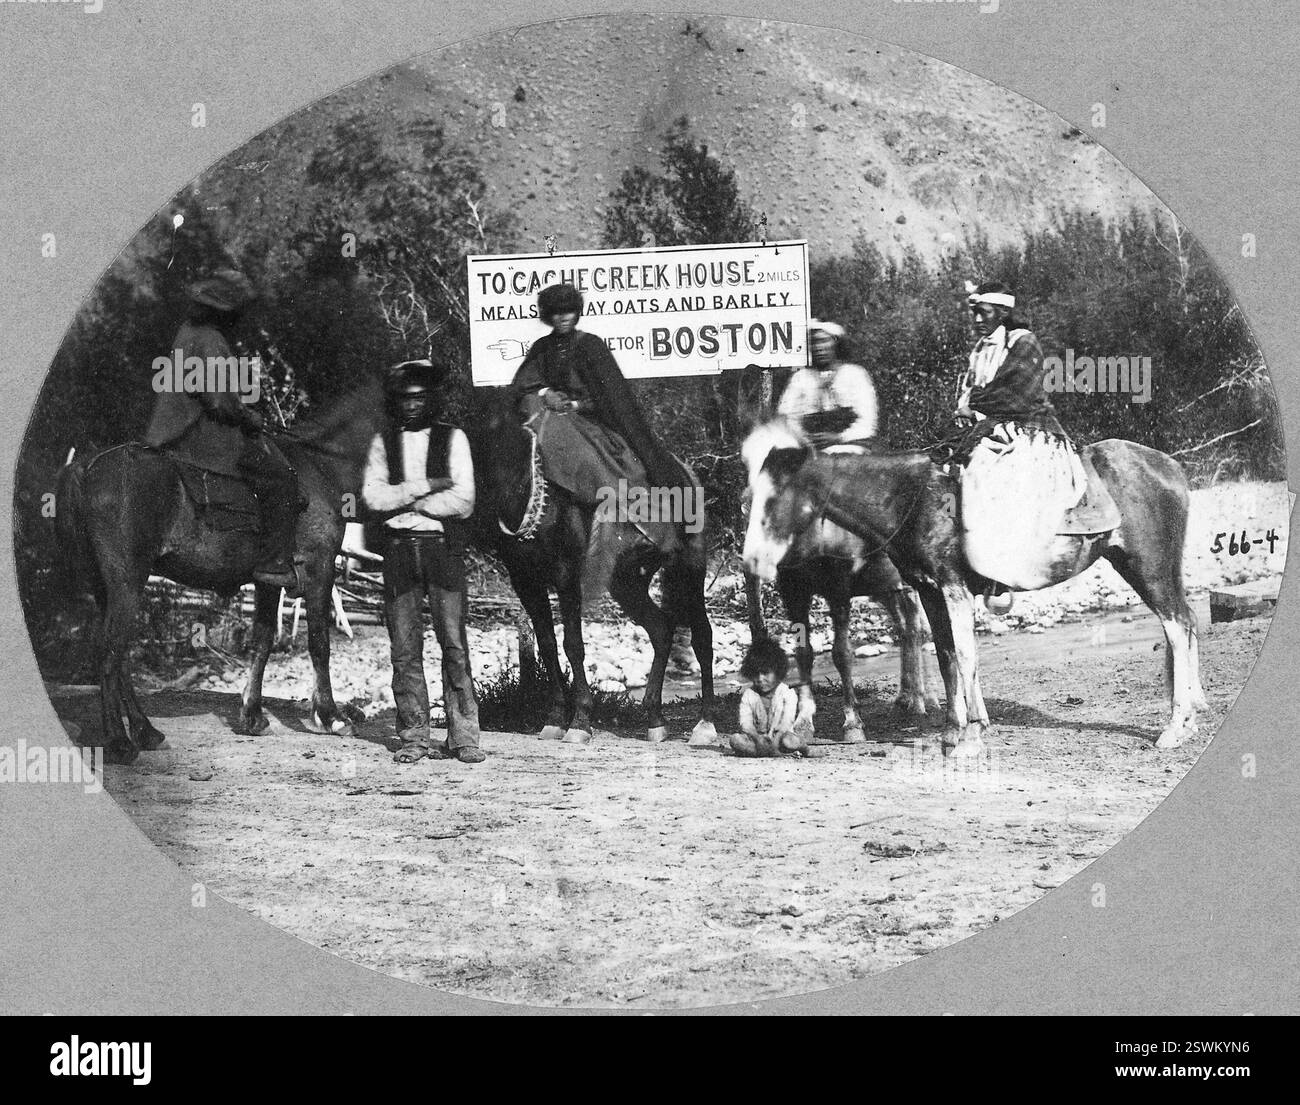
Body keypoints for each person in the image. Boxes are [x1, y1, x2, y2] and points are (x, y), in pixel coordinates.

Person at [505, 283, 691, 559]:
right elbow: (524, 383)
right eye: (557, 313)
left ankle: (634, 525)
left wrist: (577, 404)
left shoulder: (591, 346)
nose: (564, 317)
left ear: (577, 312)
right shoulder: (542, 348)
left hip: (591, 420)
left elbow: (612, 397)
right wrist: (545, 393)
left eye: (569, 311)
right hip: (551, 421)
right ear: (548, 317)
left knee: (598, 462)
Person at [142, 268, 300, 591]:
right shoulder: (213, 340)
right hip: (203, 435)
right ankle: (273, 563)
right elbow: (220, 401)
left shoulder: (187, 330)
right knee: (283, 477)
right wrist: (250, 417)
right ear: (227, 312)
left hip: (167, 431)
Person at [947, 281, 1111, 589]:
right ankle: (959, 550)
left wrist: (974, 403)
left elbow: (1019, 392)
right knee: (947, 473)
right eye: (975, 314)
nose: (978, 320)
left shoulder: (1023, 342)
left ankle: (1004, 565)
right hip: (988, 428)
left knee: (990, 476)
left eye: (984, 313)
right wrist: (964, 409)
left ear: (1002, 312)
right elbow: (970, 391)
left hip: (1029, 429)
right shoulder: (980, 350)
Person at [361, 359, 485, 766]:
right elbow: (374, 498)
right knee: (404, 648)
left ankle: (464, 736)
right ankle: (414, 735)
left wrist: (407, 499)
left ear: (430, 399)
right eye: (405, 399)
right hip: (398, 551)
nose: (412, 406)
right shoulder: (384, 443)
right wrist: (428, 487)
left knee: (454, 643)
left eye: (419, 398)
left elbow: (464, 500)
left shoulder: (455, 439)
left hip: (441, 550)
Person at [776, 320, 878, 452]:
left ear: (836, 343)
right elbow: (786, 417)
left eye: (824, 341)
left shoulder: (855, 374)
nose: (818, 347)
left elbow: (867, 420)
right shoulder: (801, 378)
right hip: (809, 452)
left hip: (850, 449)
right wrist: (803, 438)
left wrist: (839, 437)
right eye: (814, 342)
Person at [729, 638, 815, 758]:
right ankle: (773, 753)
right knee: (735, 740)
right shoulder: (749, 695)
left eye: (765, 673)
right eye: (756, 674)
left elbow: (786, 722)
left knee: (790, 741)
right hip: (757, 740)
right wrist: (757, 739)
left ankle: (804, 749)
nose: (760, 678)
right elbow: (745, 723)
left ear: (778, 672)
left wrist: (776, 740)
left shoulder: (787, 693)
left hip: (781, 739)